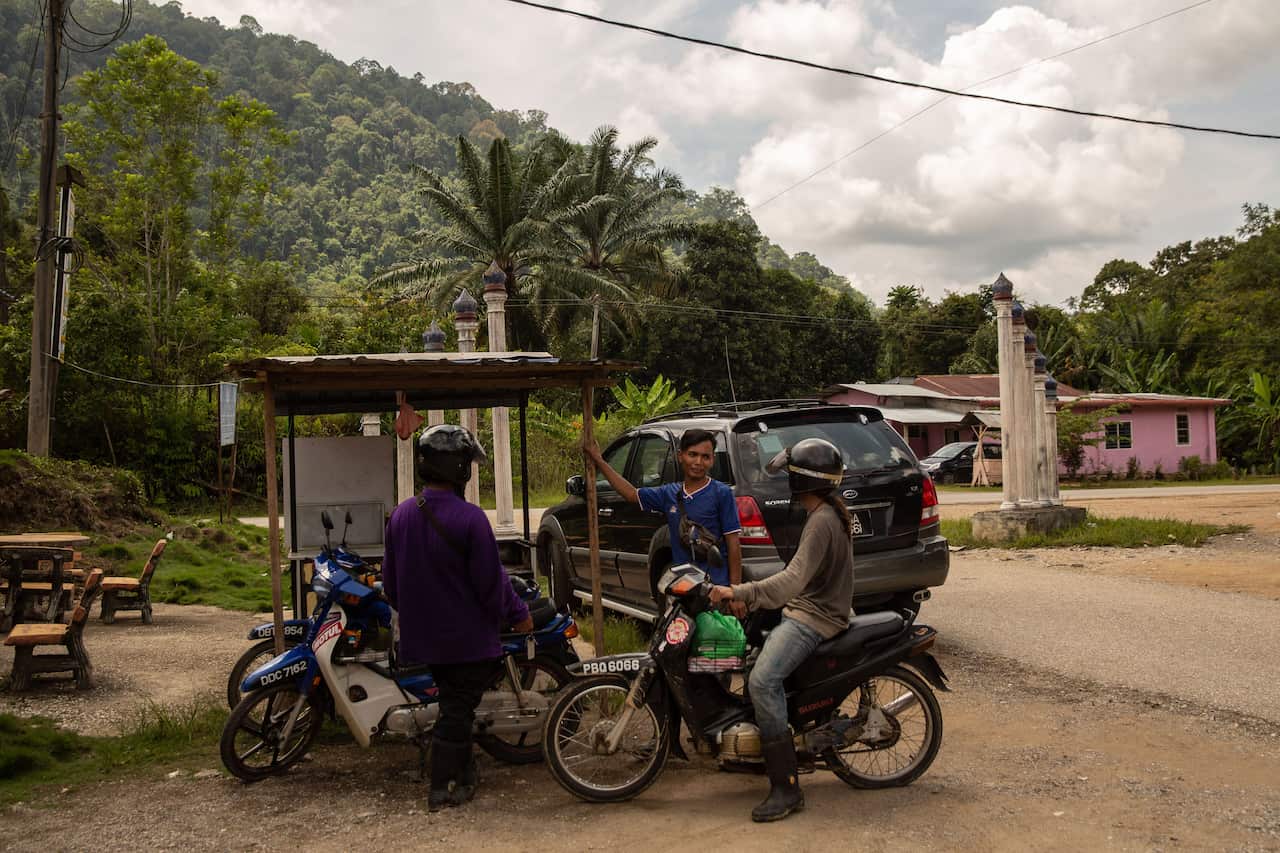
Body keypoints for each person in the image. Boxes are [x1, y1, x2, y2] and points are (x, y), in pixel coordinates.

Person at [382, 424, 534, 811]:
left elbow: (391, 586)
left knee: (455, 703)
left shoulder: (401, 515)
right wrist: (519, 615)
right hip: (466, 640)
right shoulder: (470, 519)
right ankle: (441, 786)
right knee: (457, 709)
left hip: (423, 640)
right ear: (459, 470)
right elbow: (491, 584)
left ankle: (465, 776)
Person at [708, 437, 854, 823]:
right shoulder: (825, 511)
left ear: (801, 481)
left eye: (790, 475)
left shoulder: (822, 520)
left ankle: (786, 787)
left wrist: (741, 591)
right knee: (751, 649)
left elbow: (791, 582)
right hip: (809, 608)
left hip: (814, 617)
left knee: (761, 681)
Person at [583, 428, 743, 595]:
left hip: (716, 590)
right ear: (680, 456)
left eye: (705, 457)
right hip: (684, 589)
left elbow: (733, 544)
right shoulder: (668, 494)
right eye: (692, 454)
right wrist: (599, 460)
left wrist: (736, 593)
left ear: (712, 460)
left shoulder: (722, 493)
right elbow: (631, 494)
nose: (698, 462)